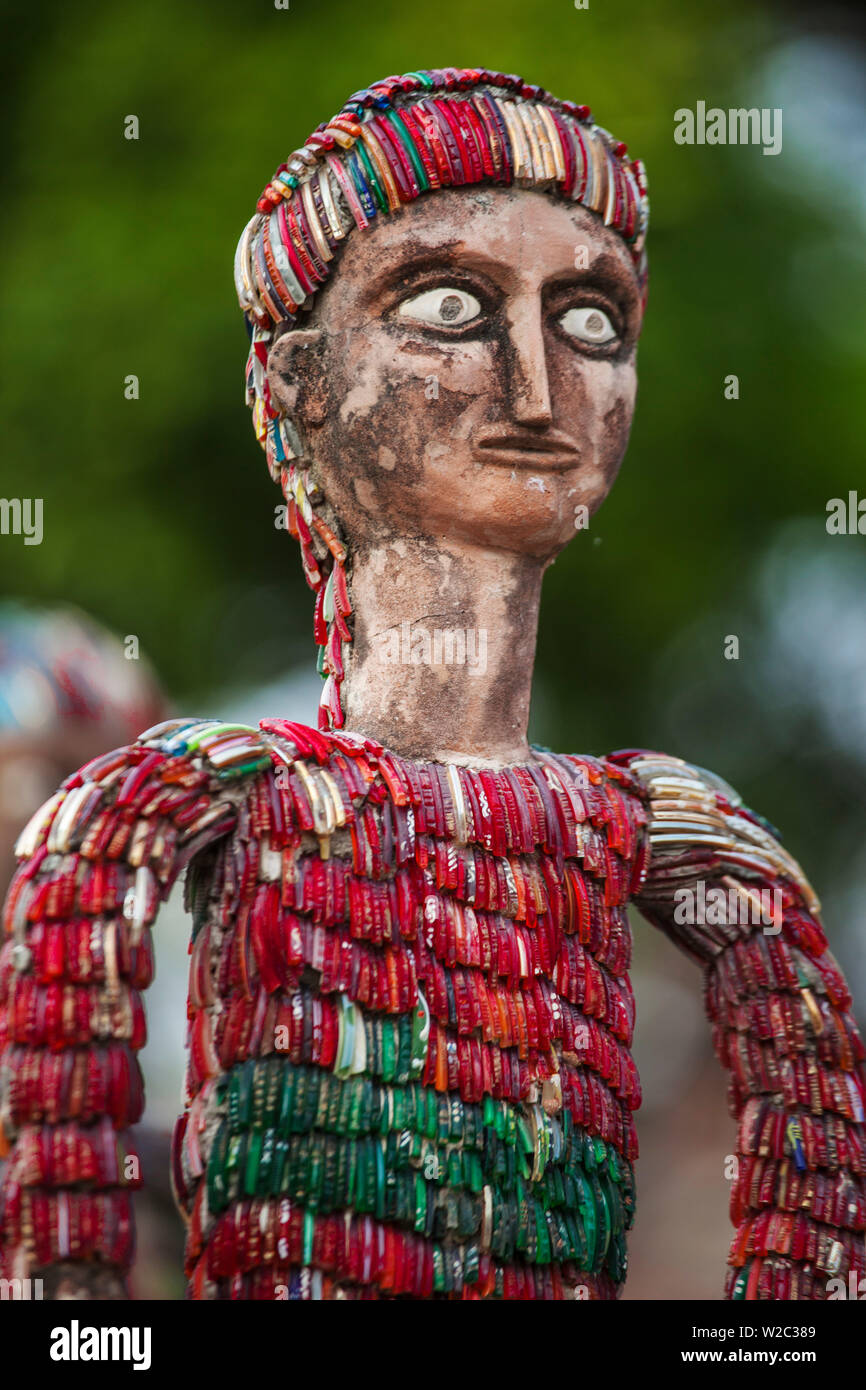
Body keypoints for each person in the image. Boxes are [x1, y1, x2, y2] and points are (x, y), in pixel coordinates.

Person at [1, 68, 862, 1301]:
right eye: (450, 304)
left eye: (588, 322)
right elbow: (65, 1289)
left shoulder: (691, 845)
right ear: (296, 382)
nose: (534, 384)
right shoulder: (195, 797)